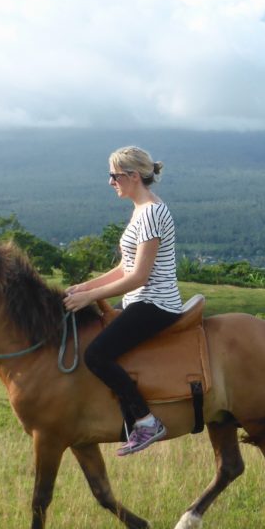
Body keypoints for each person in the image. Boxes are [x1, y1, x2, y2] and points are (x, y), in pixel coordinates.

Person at [64, 146, 184, 455]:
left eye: (114, 175)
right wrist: (84, 287)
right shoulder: (140, 210)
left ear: (133, 176)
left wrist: (90, 296)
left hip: (155, 303)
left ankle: (146, 421)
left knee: (96, 355)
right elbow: (123, 268)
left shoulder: (153, 213)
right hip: (138, 300)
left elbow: (138, 277)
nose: (110, 182)